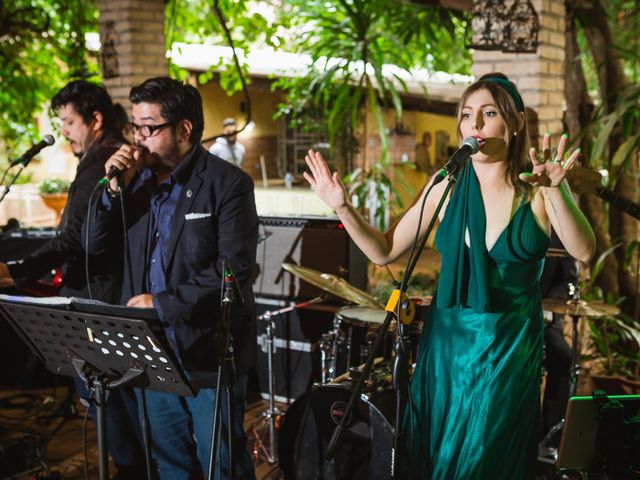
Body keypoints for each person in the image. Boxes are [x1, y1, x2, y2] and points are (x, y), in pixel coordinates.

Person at [303, 72, 596, 478]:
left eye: (488, 113)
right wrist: (342, 208)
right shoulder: (446, 187)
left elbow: (584, 250)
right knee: (435, 455)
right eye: (466, 114)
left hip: (507, 350)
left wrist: (557, 191)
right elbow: (384, 250)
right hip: (445, 349)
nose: (474, 125)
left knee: (487, 458)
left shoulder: (537, 191)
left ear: (513, 124)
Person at [83, 77, 258, 479]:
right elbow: (93, 247)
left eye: (149, 128)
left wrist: (161, 304)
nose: (138, 139)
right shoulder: (134, 184)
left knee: (222, 463)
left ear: (184, 129)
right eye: (135, 127)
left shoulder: (227, 184)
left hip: (206, 348)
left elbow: (235, 269)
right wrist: (112, 189)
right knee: (170, 462)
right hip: (149, 350)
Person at [0, 80, 146, 479]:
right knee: (112, 399)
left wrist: (14, 272)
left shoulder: (103, 157)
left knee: (108, 398)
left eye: (68, 121)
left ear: (94, 120)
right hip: (106, 293)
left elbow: (73, 239)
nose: (62, 131)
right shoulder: (102, 154)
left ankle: (132, 470)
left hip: (98, 297)